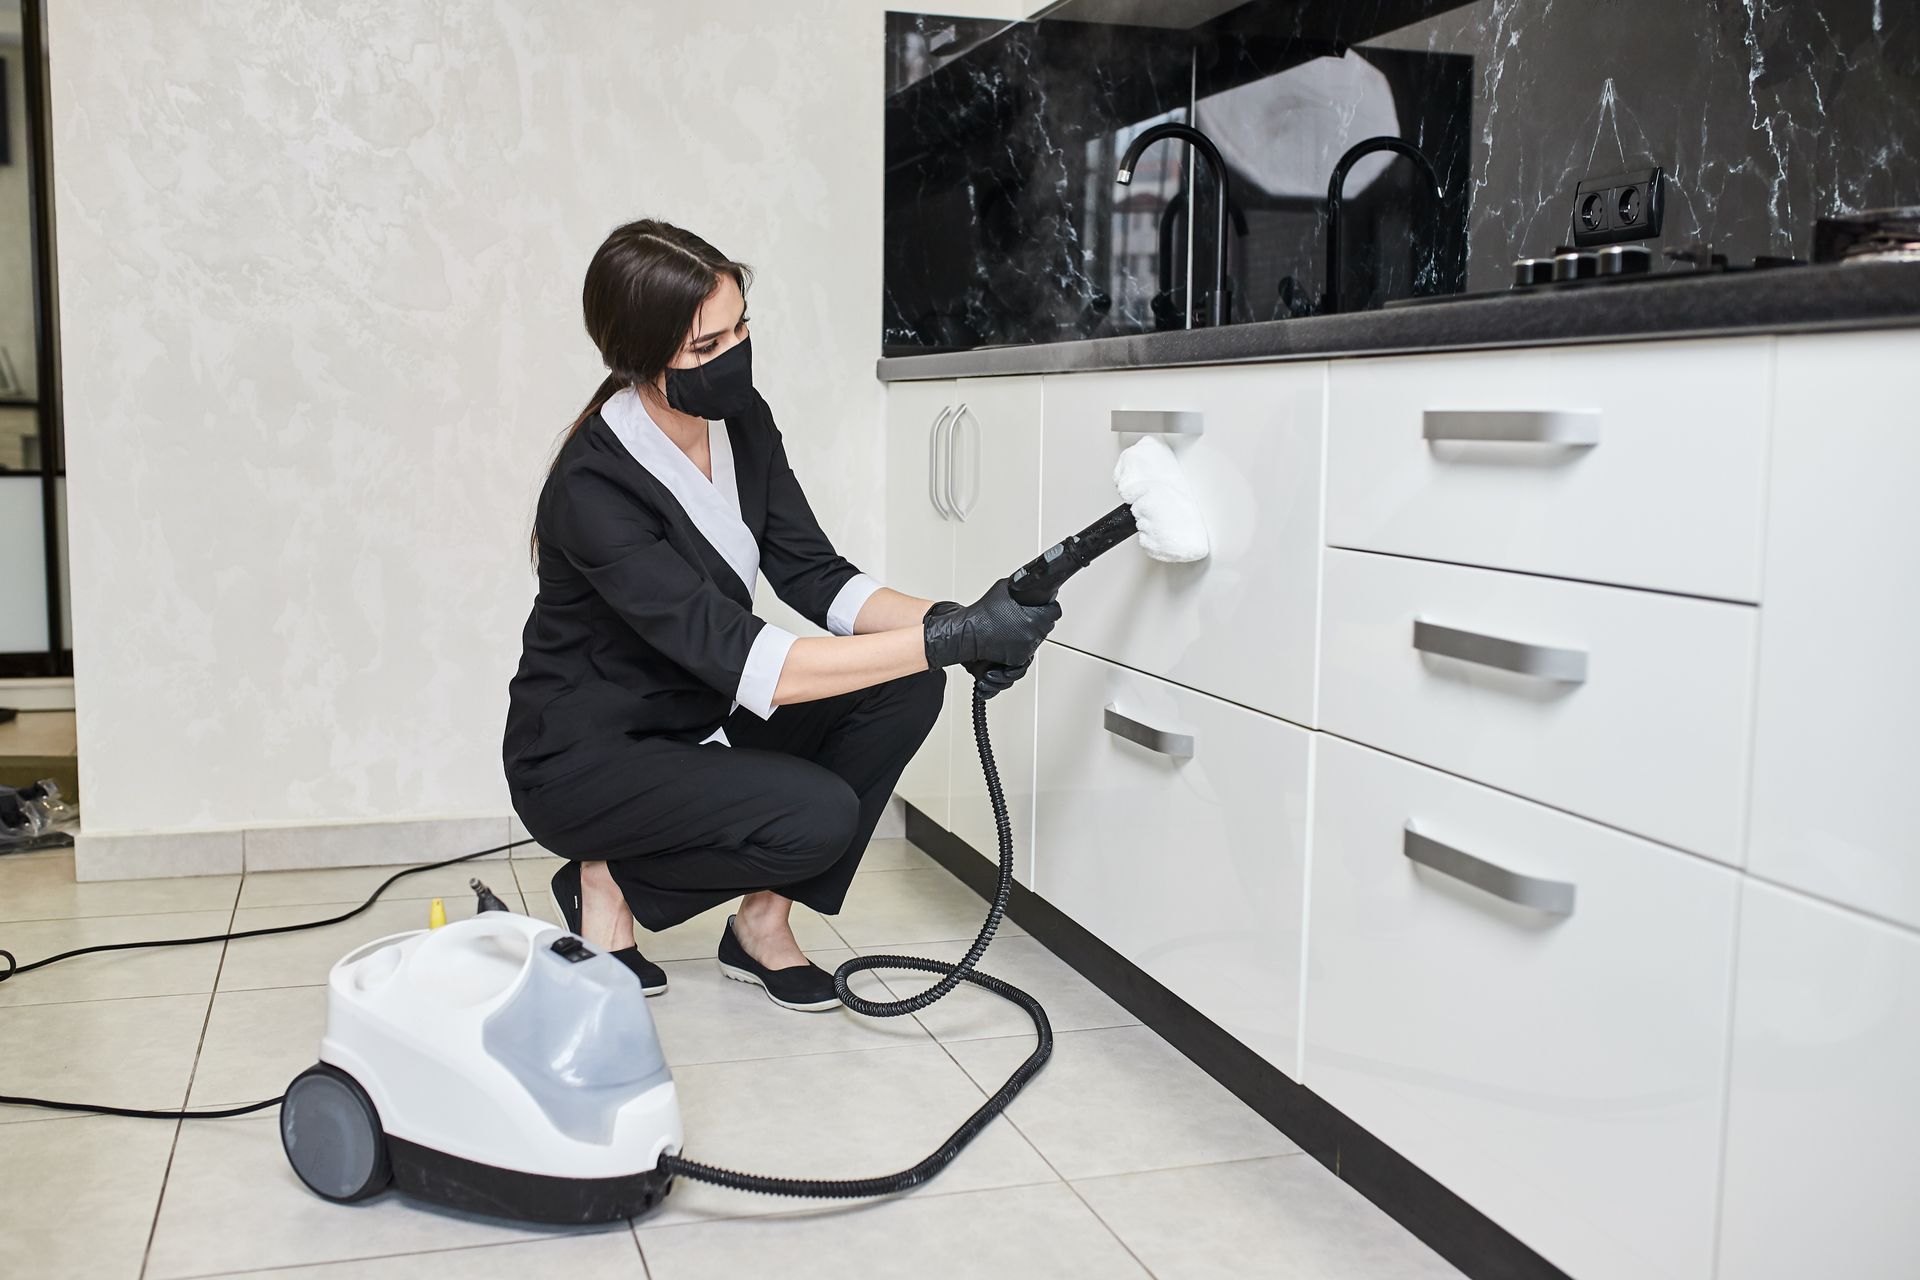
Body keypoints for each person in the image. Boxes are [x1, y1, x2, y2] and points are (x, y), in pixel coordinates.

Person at [502, 219, 1058, 1012]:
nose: (731, 356)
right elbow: (751, 660)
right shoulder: (595, 490)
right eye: (704, 347)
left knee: (905, 685)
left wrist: (961, 618)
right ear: (637, 357)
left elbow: (816, 575)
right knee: (819, 816)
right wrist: (949, 640)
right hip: (586, 758)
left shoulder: (742, 421)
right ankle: (607, 876)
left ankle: (761, 925)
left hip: (698, 717)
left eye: (740, 330)